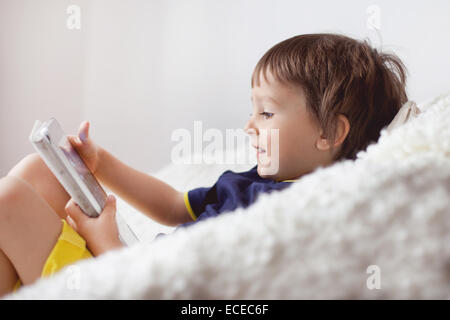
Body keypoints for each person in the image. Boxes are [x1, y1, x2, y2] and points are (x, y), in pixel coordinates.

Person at [0, 33, 408, 296]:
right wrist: (100, 164)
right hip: (133, 265)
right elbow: (175, 207)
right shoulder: (252, 182)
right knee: (38, 170)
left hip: (131, 285)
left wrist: (109, 249)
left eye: (267, 114)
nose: (249, 125)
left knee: (9, 201)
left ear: (331, 133)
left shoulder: (293, 217)